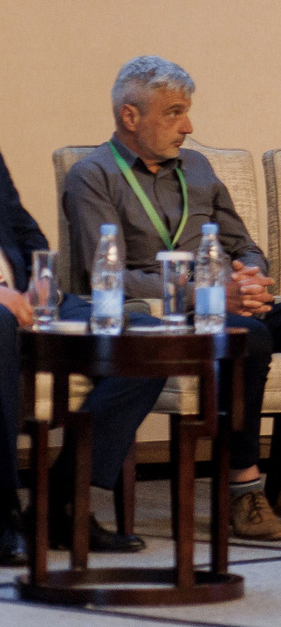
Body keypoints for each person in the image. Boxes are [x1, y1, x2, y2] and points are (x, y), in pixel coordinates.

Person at [64, 57, 281, 541]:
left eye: (186, 111)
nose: (188, 127)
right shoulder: (92, 175)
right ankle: (244, 490)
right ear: (130, 116)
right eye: (173, 113)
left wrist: (251, 278)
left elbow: (245, 246)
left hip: (237, 303)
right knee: (247, 337)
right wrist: (211, 293)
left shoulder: (197, 167)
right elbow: (107, 276)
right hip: (167, 316)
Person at [2, 150, 166, 563]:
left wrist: (40, 281)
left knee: (144, 338)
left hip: (30, 301)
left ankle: (62, 499)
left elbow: (24, 229)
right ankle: (3, 514)